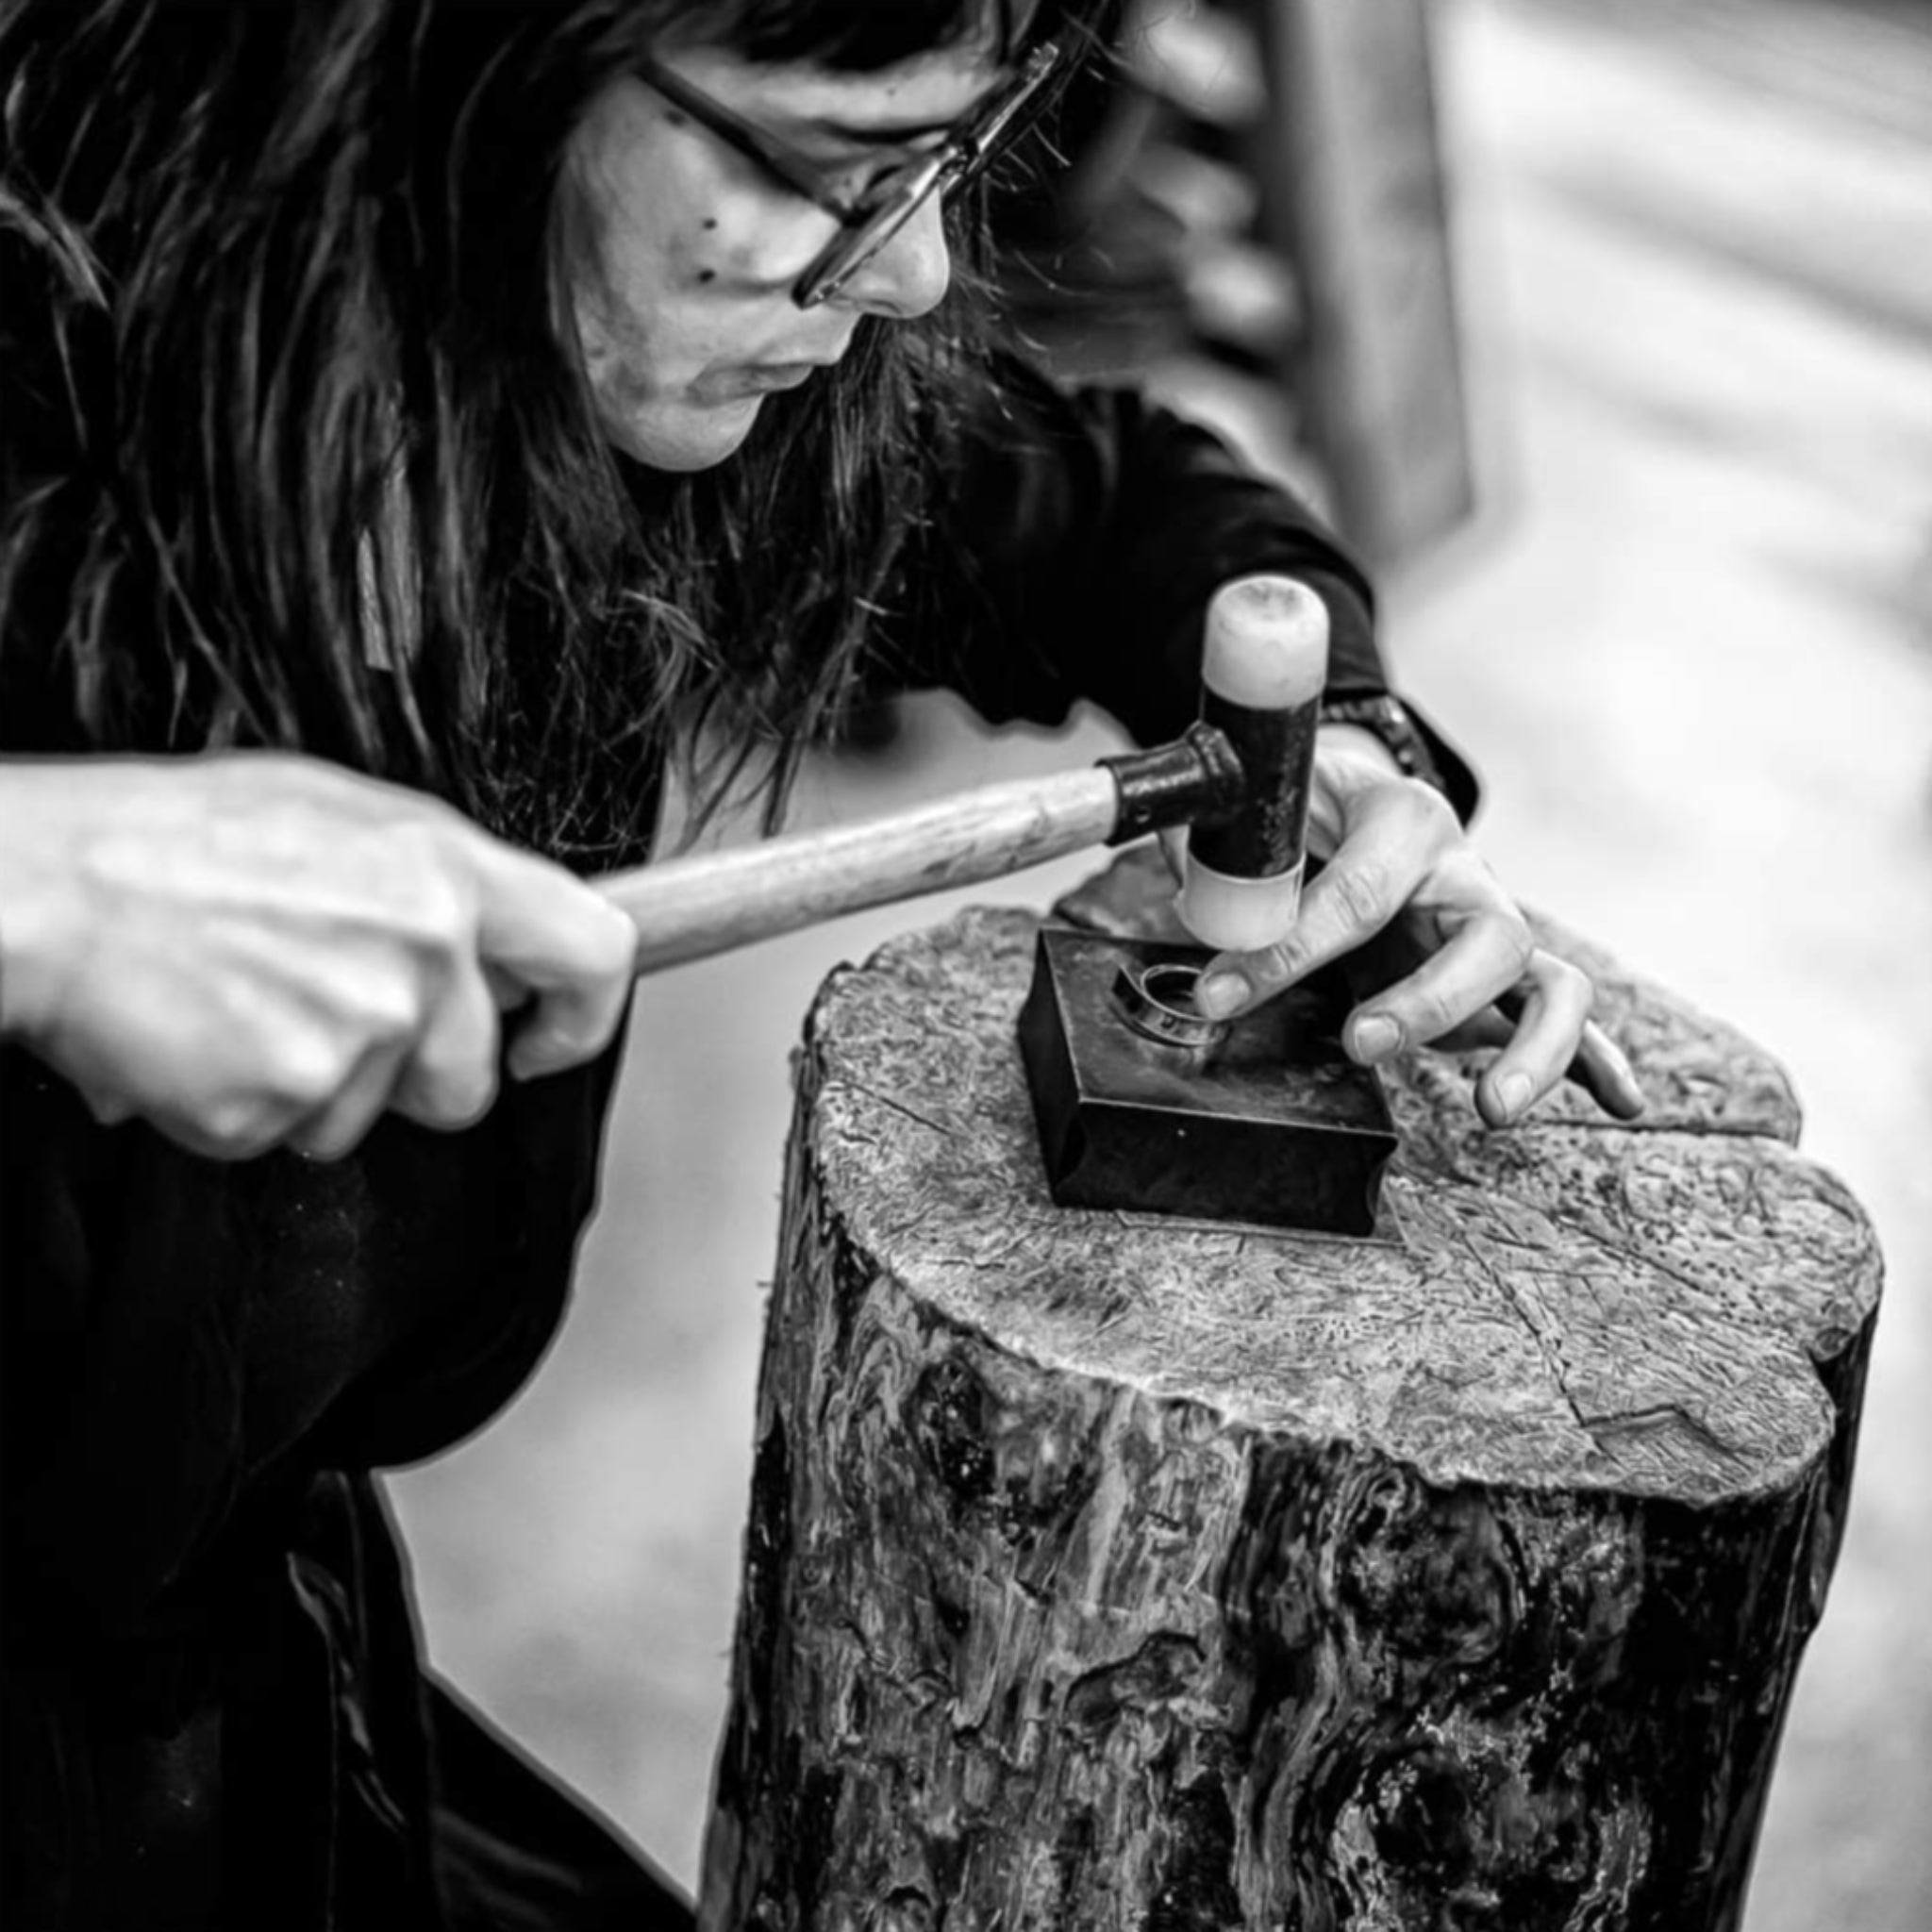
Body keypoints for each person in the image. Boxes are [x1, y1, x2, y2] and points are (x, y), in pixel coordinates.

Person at [0, 0, 1644, 1924]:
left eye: (952, 151)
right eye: (820, 165)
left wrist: (1343, 743)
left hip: (254, 1695)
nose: (916, 267)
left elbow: (1105, 499)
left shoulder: (637, 382)